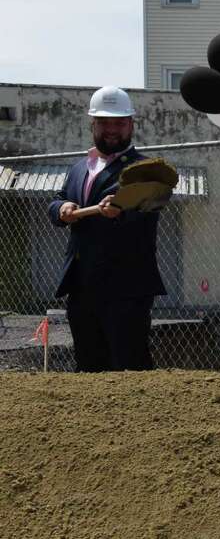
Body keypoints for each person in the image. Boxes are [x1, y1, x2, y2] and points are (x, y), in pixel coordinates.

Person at [48, 86, 165, 371]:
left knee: (129, 366)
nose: (111, 129)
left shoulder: (144, 169)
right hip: (81, 286)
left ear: (131, 124)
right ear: (93, 124)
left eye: (119, 123)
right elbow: (60, 199)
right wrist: (60, 209)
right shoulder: (80, 167)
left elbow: (151, 205)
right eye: (104, 122)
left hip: (125, 289)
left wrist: (121, 210)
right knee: (88, 366)